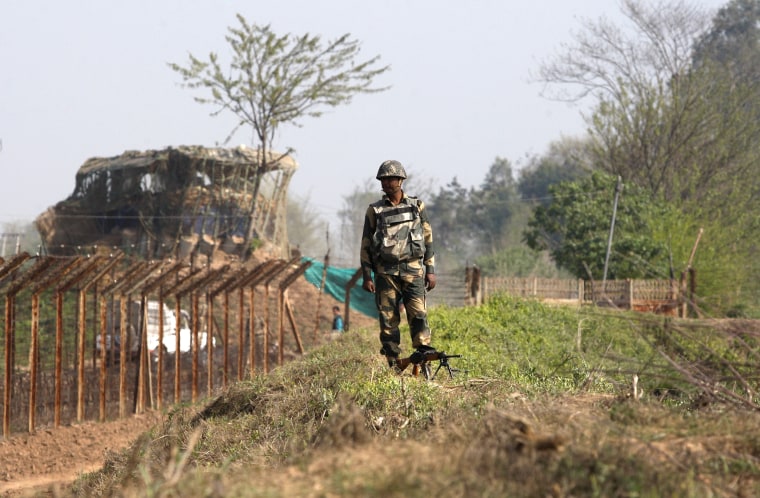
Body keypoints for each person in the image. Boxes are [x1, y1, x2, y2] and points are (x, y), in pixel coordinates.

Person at [360, 159, 437, 369]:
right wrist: (367, 275)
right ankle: (393, 362)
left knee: (418, 314)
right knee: (388, 321)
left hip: (413, 271)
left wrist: (430, 270)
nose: (385, 183)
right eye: (383, 179)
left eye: (390, 179)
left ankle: (423, 358)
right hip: (385, 274)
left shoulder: (416, 206)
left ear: (401, 180)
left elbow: (428, 238)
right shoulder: (374, 211)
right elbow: (366, 244)